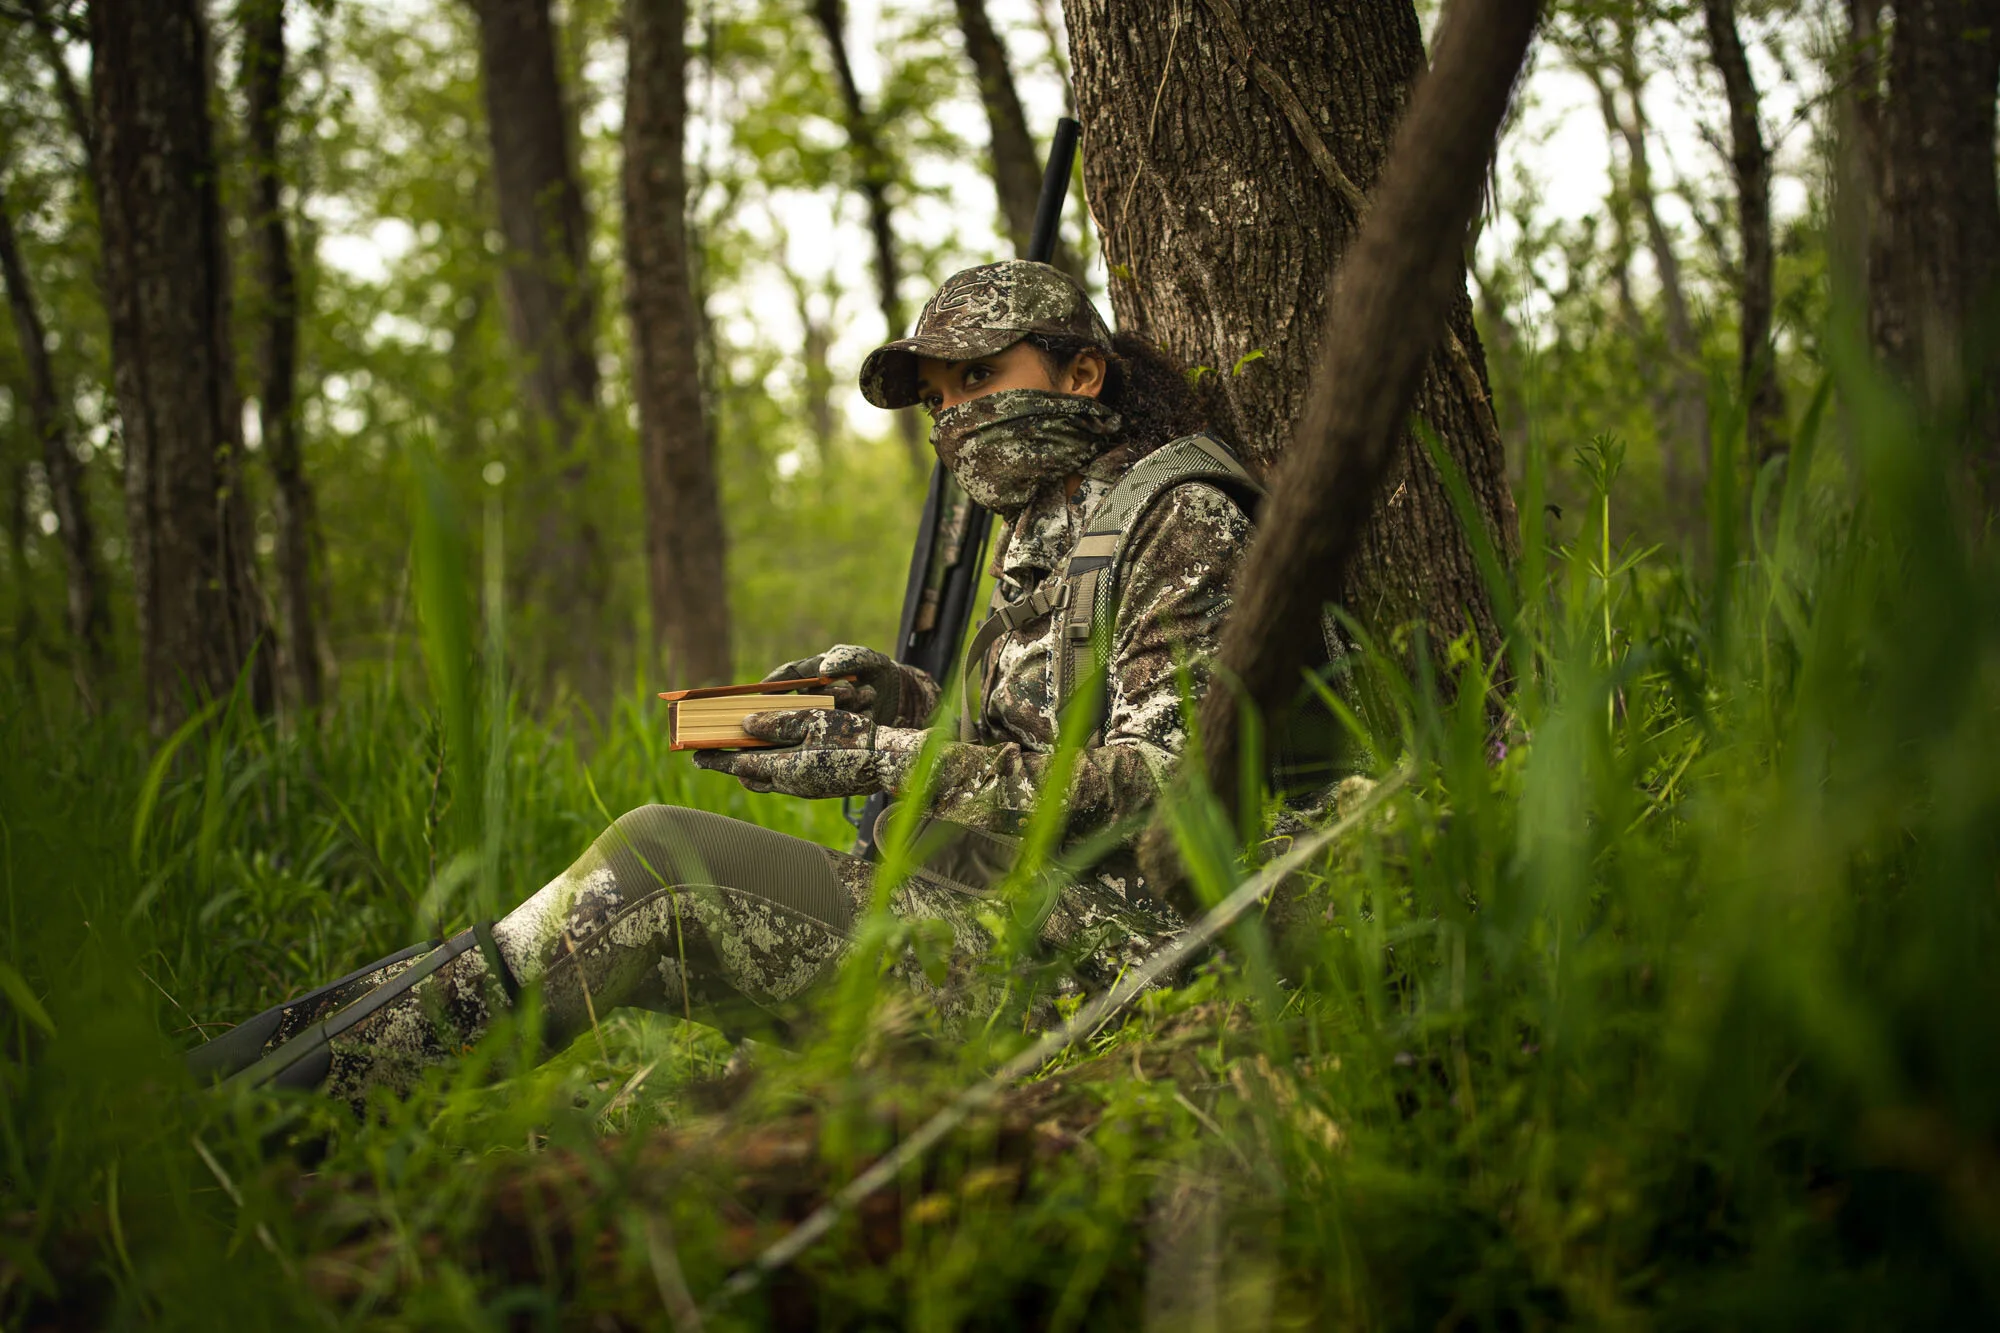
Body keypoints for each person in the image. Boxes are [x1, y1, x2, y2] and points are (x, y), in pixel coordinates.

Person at [190, 261, 1265, 1107]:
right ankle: (216, 1085)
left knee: (658, 864)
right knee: (572, 923)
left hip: (1113, 966)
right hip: (998, 917)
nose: (955, 419)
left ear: (1081, 374)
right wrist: (889, 702)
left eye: (980, 377)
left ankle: (250, 1123)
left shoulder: (1178, 517)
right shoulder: (1040, 532)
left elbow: (1165, 779)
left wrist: (886, 760)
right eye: (938, 401)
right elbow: (1031, 736)